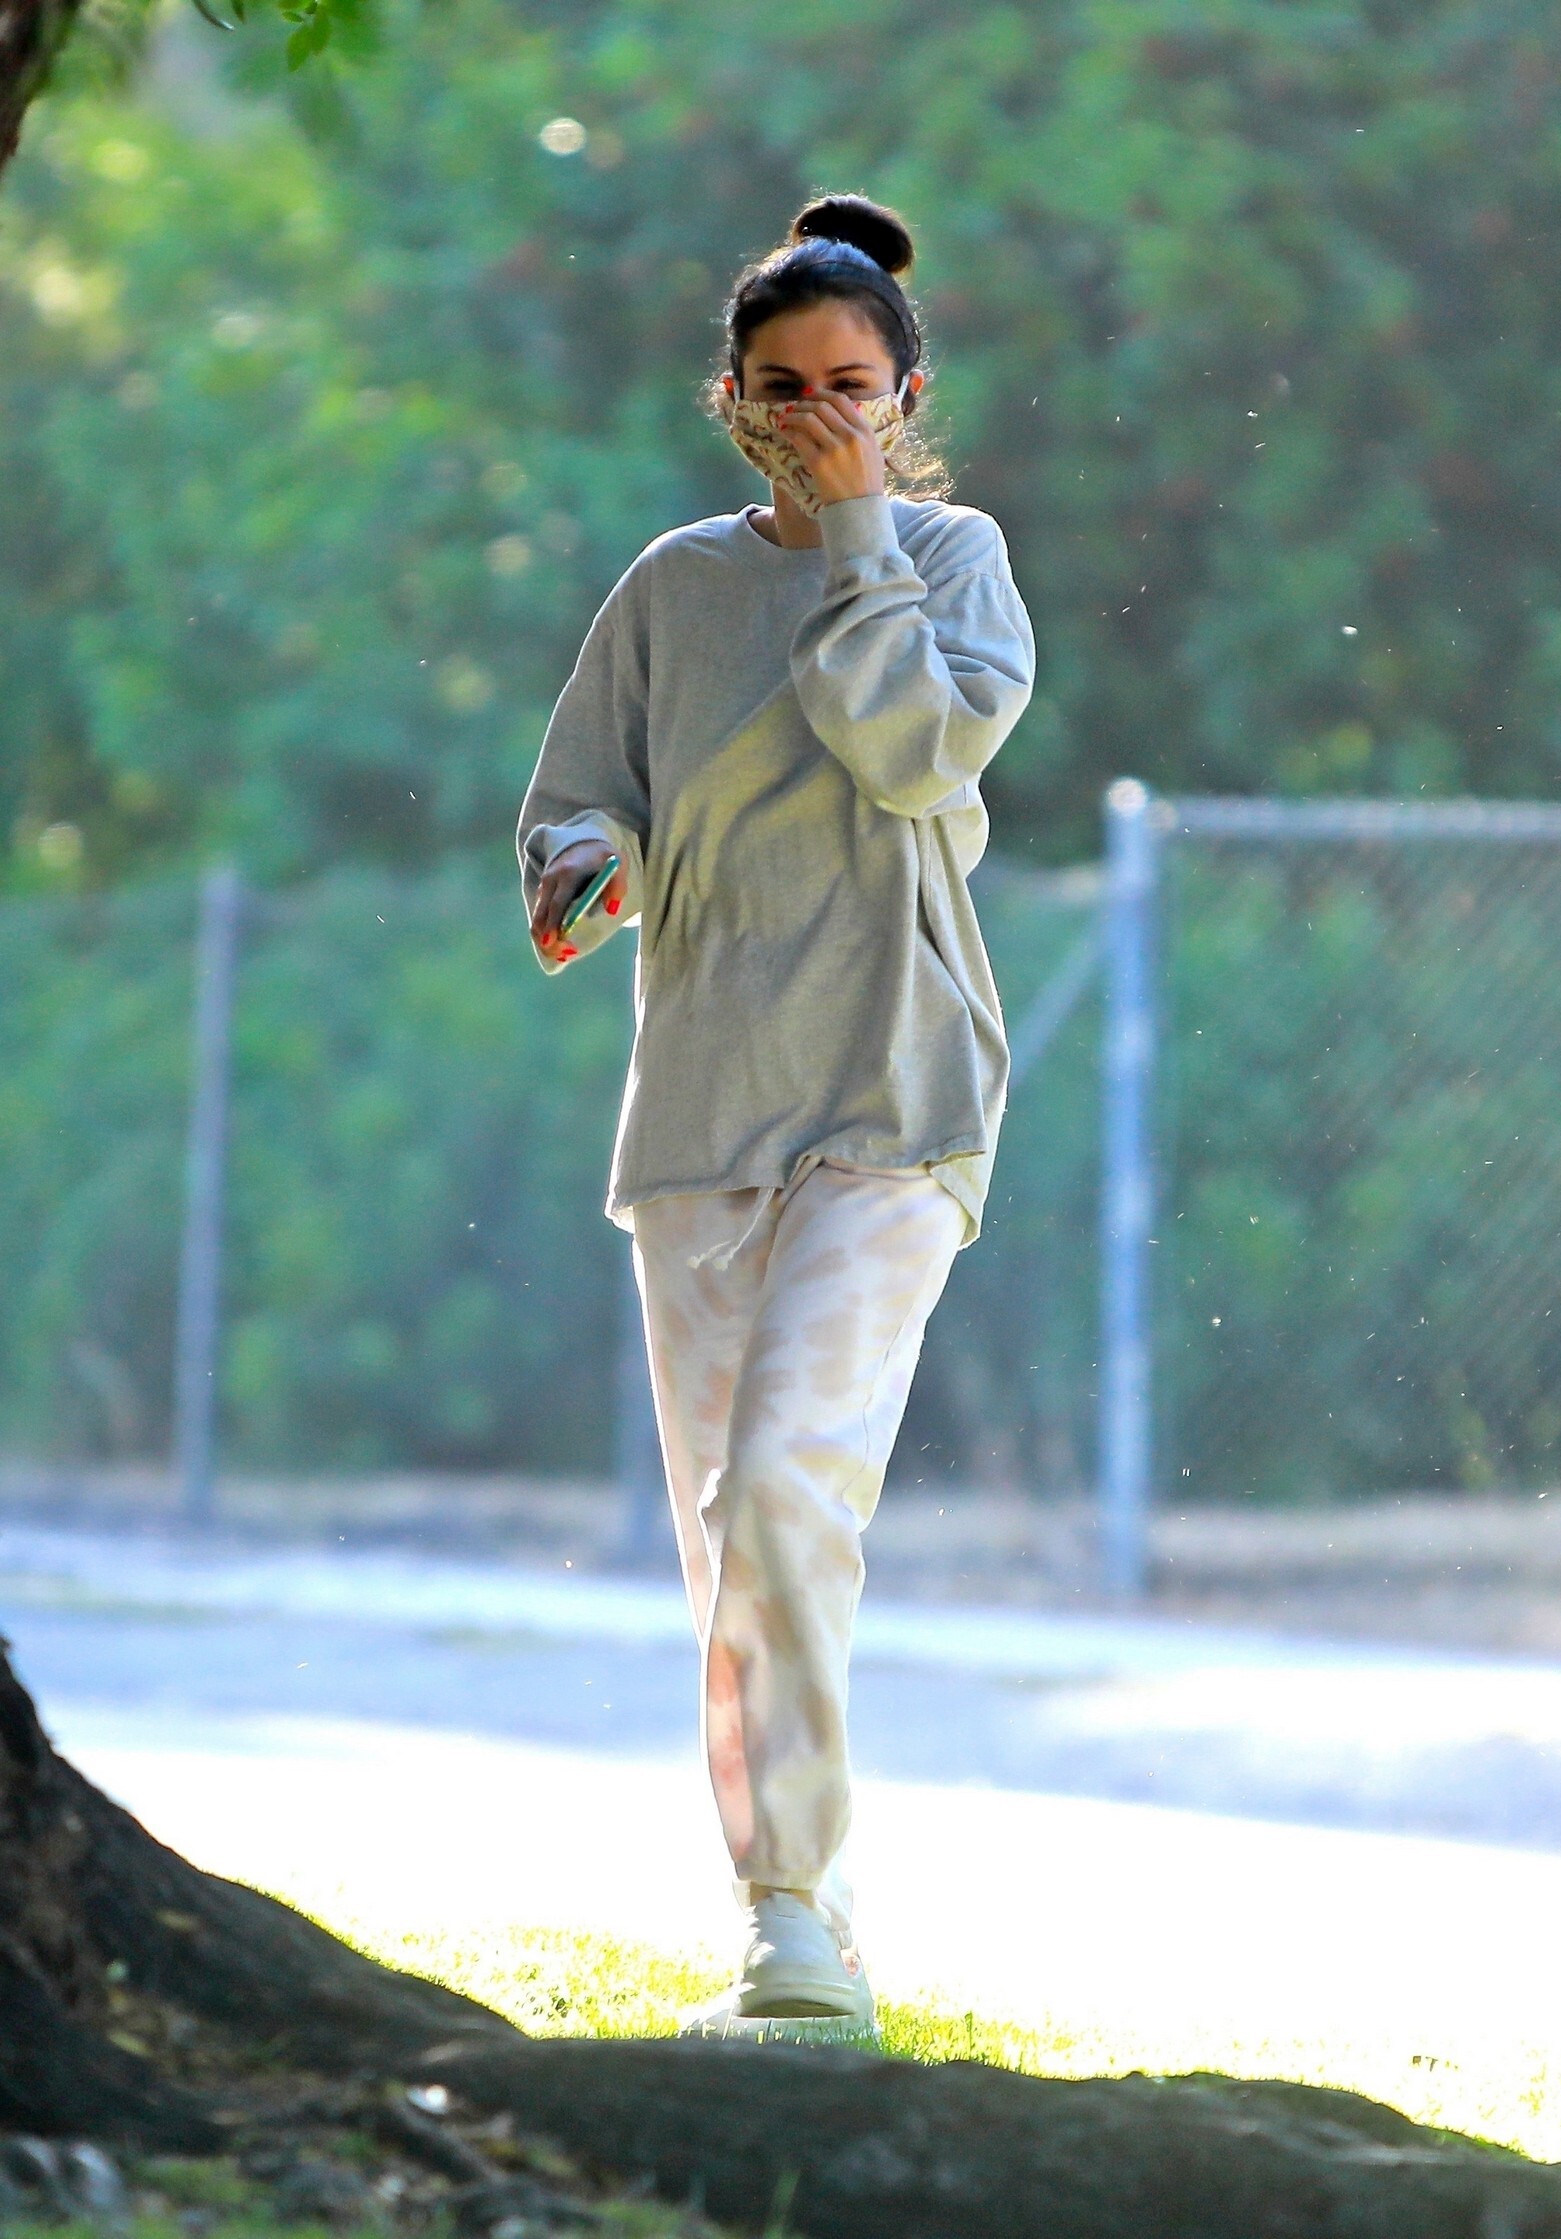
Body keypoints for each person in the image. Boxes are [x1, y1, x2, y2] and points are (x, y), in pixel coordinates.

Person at [517, 192, 1035, 2040]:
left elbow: (912, 750)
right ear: (730, 397)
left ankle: (791, 1922)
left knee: (797, 1484)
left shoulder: (955, 561)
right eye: (782, 385)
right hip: (702, 1116)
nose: (815, 413)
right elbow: (581, 798)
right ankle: (794, 1896)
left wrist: (859, 537)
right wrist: (584, 862)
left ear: (906, 398)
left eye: (850, 386)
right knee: (729, 1524)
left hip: (897, 1098)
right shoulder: (669, 587)